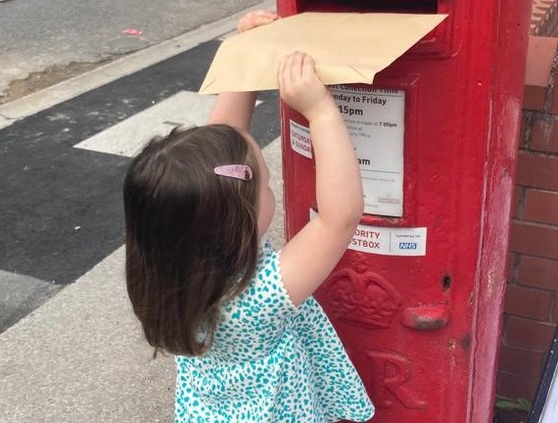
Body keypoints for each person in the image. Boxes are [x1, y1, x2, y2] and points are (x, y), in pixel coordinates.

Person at [123, 10, 374, 423]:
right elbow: (338, 218)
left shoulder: (165, 278)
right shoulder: (265, 292)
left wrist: (249, 52)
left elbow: (223, 144)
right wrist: (322, 112)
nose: (271, 188)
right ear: (237, 222)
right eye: (266, 186)